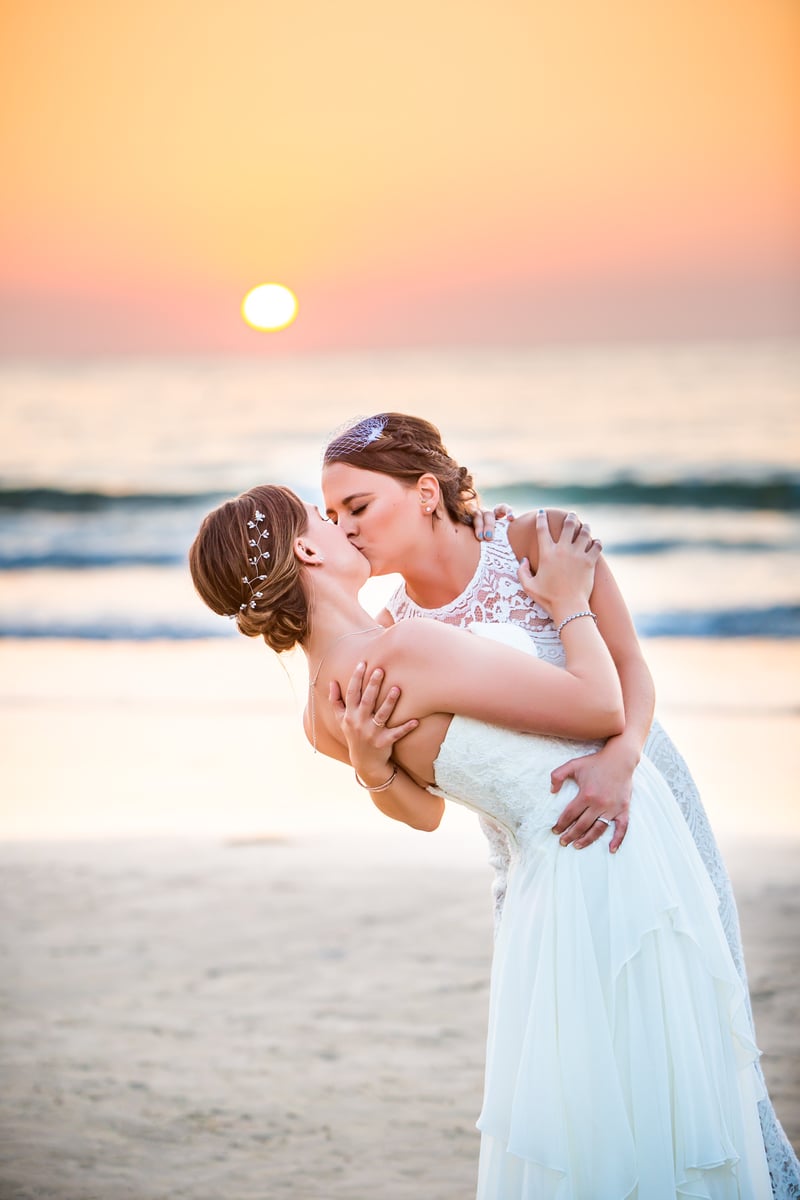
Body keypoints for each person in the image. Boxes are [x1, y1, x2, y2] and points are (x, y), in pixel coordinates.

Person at [190, 484, 779, 1198]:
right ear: (308, 549)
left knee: (600, 1103)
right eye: (324, 518)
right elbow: (601, 705)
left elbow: (426, 814)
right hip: (607, 849)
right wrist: (567, 600)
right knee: (661, 1090)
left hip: (543, 884)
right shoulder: (403, 646)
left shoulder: (322, 709)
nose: (342, 525)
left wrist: (374, 769)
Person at [319, 412, 800, 1196]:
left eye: (359, 507)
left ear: (427, 493)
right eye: (333, 516)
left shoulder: (540, 542)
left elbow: (631, 669)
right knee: (579, 1055)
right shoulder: (392, 632)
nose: (345, 529)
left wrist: (621, 761)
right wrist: (371, 765)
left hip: (641, 793)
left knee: (683, 1025)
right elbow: (426, 809)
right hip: (530, 848)